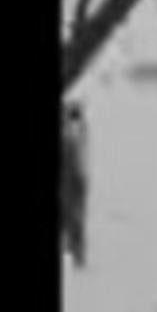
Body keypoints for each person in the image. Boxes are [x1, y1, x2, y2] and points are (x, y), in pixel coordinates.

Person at [60, 102, 90, 270]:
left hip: (74, 178)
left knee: (74, 215)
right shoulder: (75, 134)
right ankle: (75, 249)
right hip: (74, 178)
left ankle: (76, 250)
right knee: (74, 215)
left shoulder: (73, 135)